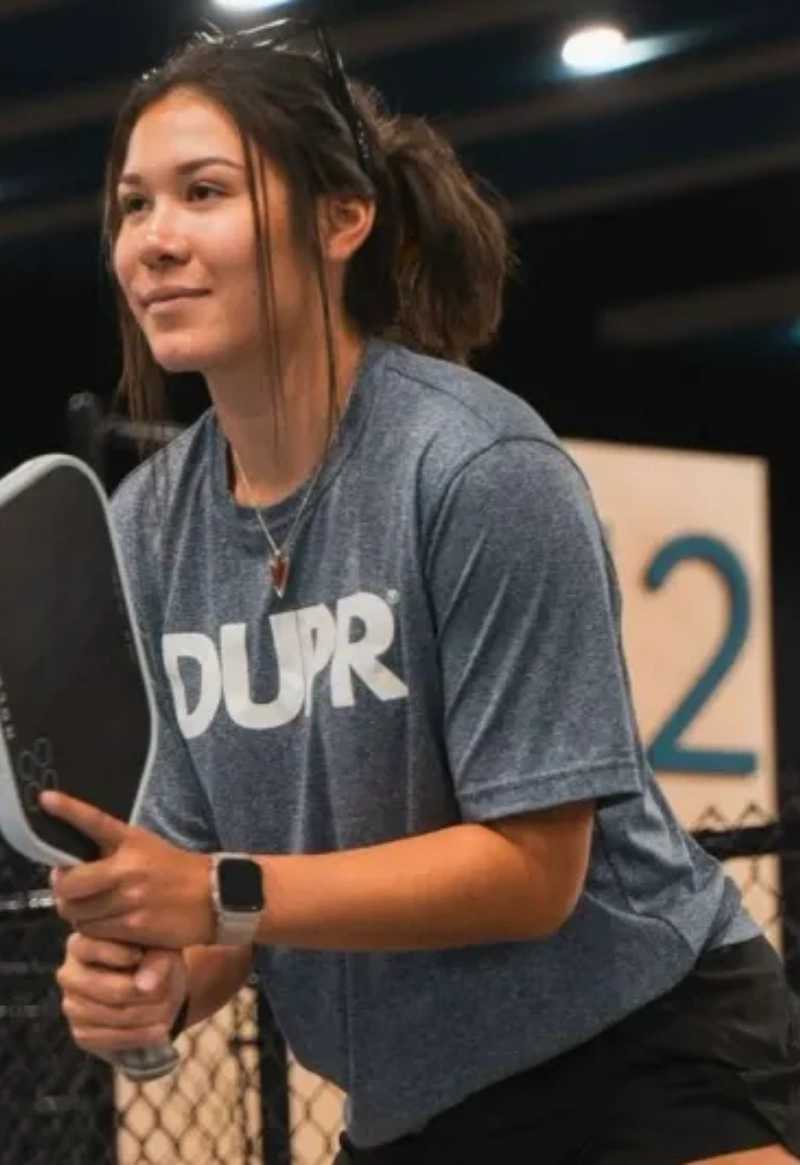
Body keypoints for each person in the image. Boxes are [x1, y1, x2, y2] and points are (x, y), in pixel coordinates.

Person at [45, 20, 800, 1164]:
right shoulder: (148, 534)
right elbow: (214, 893)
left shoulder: (475, 469)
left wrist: (215, 893)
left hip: (644, 1053)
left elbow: (531, 872)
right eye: (132, 206)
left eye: (203, 192)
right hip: (412, 1109)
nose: (153, 241)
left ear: (341, 218)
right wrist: (157, 985)